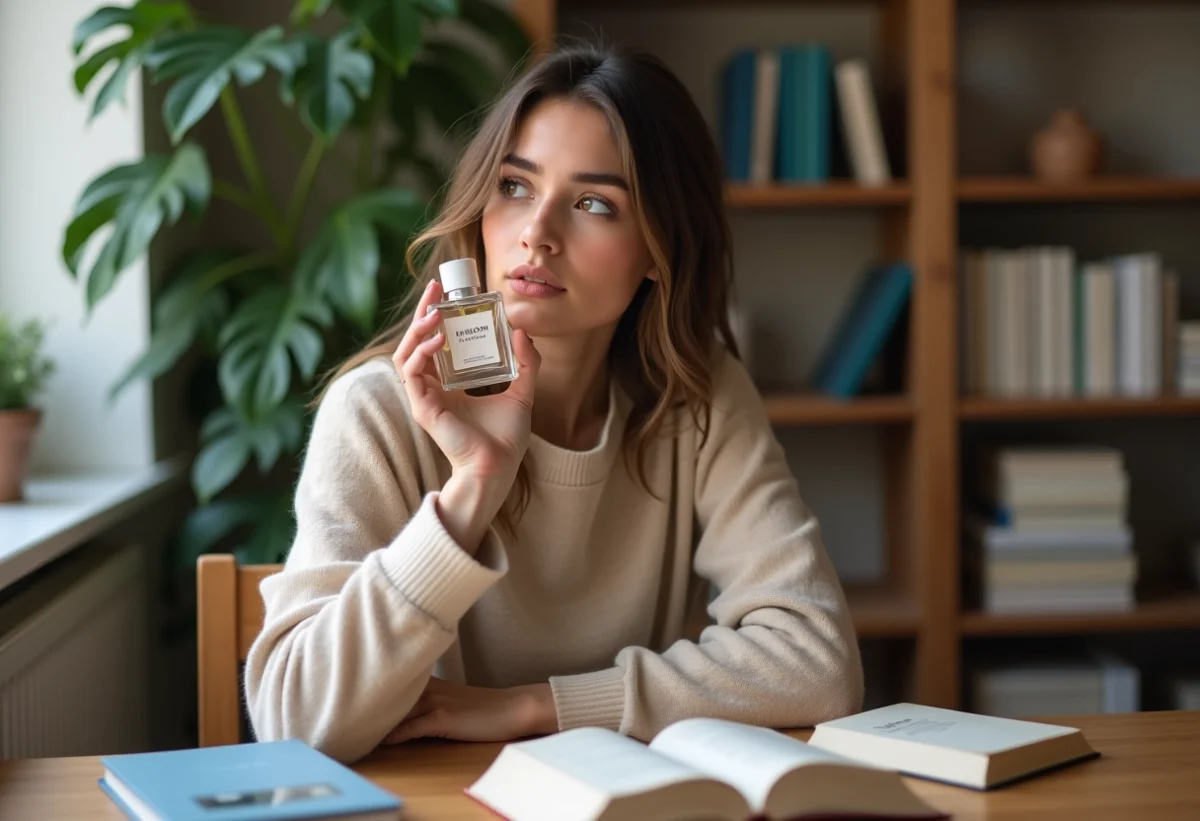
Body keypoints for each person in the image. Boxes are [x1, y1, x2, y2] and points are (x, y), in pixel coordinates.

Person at [245, 41, 864, 765]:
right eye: (514, 186)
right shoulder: (377, 412)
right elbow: (294, 723)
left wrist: (538, 705)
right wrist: (473, 489)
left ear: (659, 251)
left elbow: (819, 662)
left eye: (594, 203)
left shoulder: (696, 399)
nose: (536, 233)